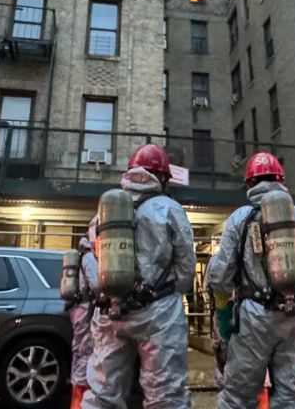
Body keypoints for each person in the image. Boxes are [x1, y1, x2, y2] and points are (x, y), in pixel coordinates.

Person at [207, 152, 295, 409]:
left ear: (248, 184)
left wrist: (223, 314)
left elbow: (220, 276)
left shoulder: (240, 218)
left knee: (238, 396)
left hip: (254, 318)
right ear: (282, 180)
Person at [82, 144, 195, 409]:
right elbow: (186, 267)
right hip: (158, 314)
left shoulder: (104, 211)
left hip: (110, 312)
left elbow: (94, 256)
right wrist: (168, 294)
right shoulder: (169, 208)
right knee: (165, 395)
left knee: (102, 394)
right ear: (163, 177)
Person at [69, 219, 100, 408]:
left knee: (81, 353)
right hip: (86, 311)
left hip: (80, 310)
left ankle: (78, 399)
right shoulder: (89, 258)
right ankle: (79, 402)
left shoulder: (83, 256)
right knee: (85, 354)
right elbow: (96, 285)